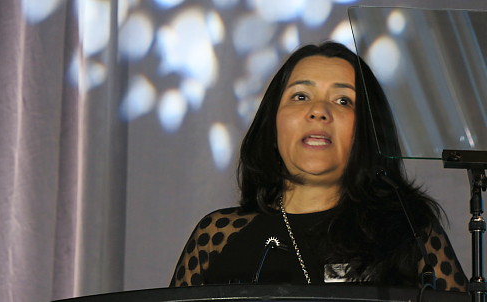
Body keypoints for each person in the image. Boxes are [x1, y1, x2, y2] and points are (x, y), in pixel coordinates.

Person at [169, 42, 467, 291]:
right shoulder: (218, 236)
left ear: (368, 131)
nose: (319, 112)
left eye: (343, 100)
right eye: (301, 96)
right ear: (273, 125)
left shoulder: (407, 228)